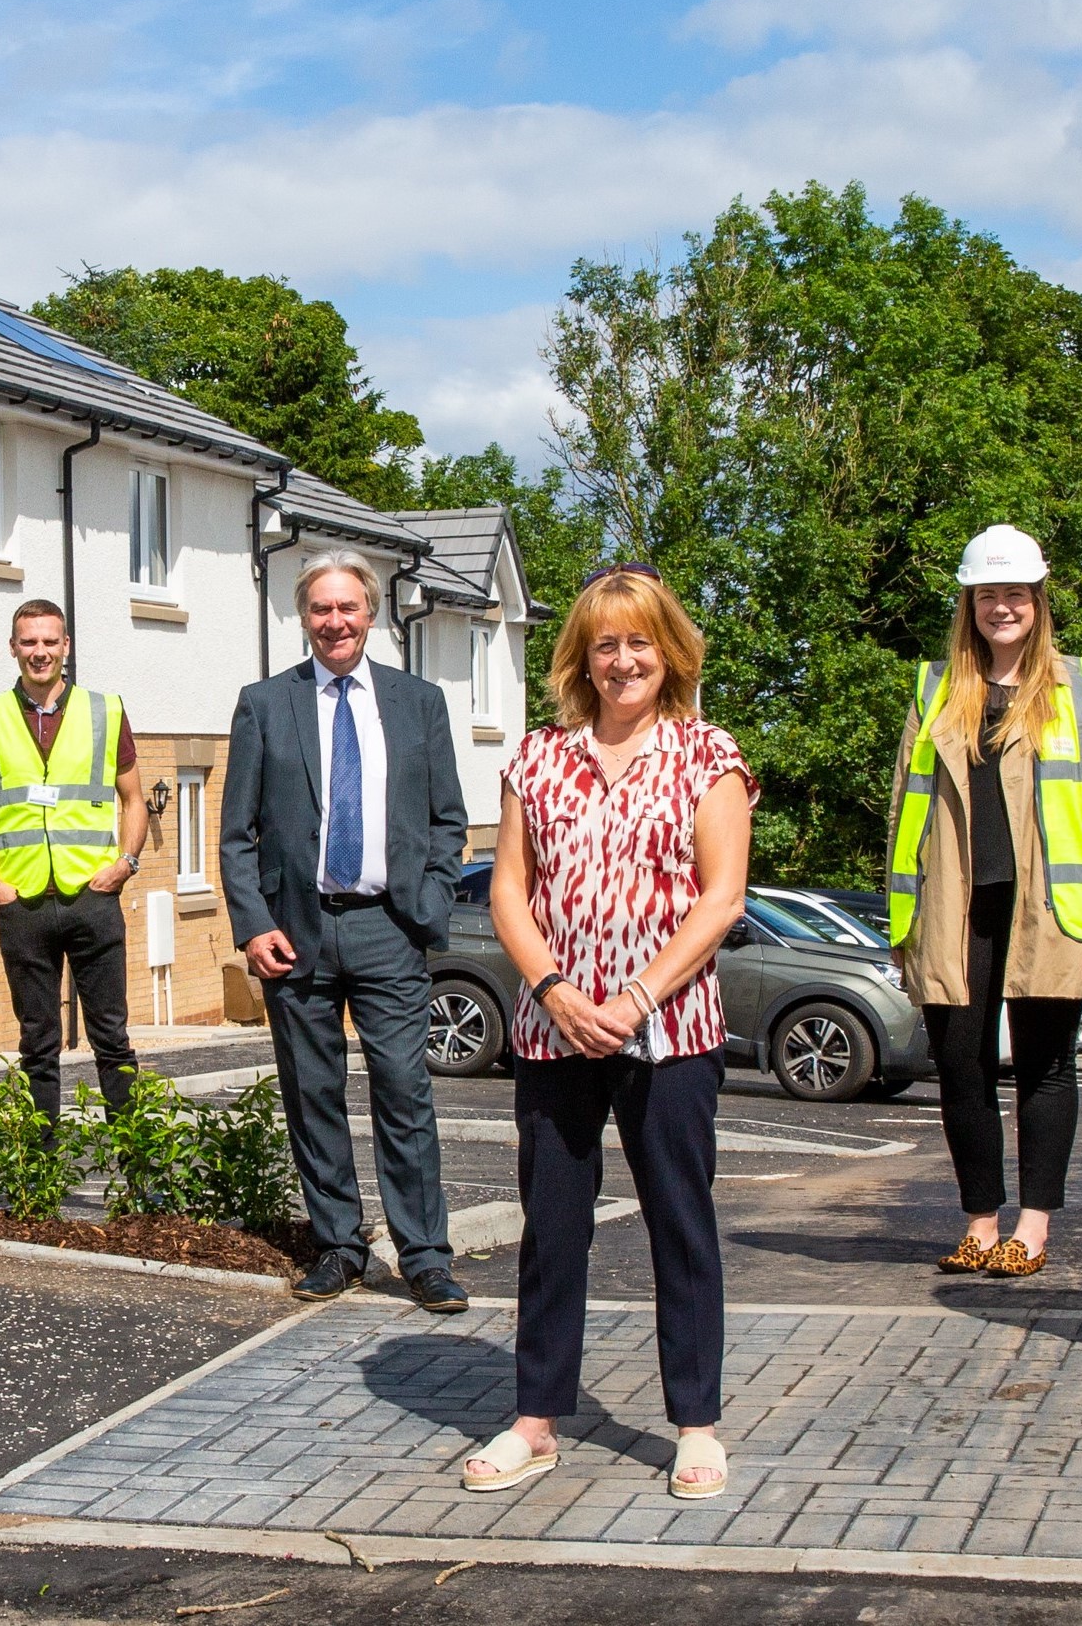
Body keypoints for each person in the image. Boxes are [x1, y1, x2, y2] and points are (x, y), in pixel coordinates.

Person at [457, 562, 747, 1504]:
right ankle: (534, 1420)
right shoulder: (536, 759)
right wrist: (551, 987)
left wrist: (635, 997)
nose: (622, 659)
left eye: (639, 641)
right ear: (581, 657)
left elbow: (721, 898)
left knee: (679, 1222)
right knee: (551, 1228)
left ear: (671, 652)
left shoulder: (708, 754)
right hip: (554, 1030)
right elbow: (508, 890)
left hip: (670, 1030)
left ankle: (695, 1425)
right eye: (604, 643)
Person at [219, 552, 468, 1312]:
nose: (335, 621)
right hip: (295, 931)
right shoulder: (265, 703)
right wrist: (253, 926)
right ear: (303, 617)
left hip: (389, 926)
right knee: (312, 1093)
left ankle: (424, 1256)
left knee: (404, 1091)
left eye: (348, 607)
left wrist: (428, 901)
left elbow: (447, 821)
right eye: (321, 608)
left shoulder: (418, 702)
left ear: (371, 613)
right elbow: (236, 834)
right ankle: (337, 1245)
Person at [884, 525, 1082, 1279]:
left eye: (1014, 593)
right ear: (969, 603)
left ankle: (1034, 1227)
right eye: (987, 593)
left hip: (1049, 907)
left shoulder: (1073, 685)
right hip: (952, 906)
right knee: (961, 1069)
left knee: (1046, 1066)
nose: (1001, 607)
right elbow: (901, 810)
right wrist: (901, 916)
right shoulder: (934, 687)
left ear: (1037, 600)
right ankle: (981, 1225)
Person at [0, 599, 150, 1123]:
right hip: (21, 902)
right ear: (13, 647)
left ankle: (135, 1159)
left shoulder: (105, 710)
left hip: (93, 896)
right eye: (29, 642)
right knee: (36, 1043)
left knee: (111, 1037)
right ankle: (39, 1162)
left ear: (66, 646)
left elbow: (134, 799)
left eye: (49, 641)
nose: (39, 652)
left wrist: (125, 865)